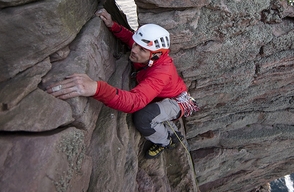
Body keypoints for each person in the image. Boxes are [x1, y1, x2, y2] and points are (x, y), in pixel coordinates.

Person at [47, 9, 199, 158]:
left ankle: (165, 141)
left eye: (142, 50)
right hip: (161, 94)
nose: (134, 50)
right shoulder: (148, 49)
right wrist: (112, 25)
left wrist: (96, 88)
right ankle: (166, 132)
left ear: (156, 55)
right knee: (151, 111)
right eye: (136, 46)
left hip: (177, 102)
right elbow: (130, 38)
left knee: (143, 117)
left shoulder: (162, 72)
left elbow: (135, 102)